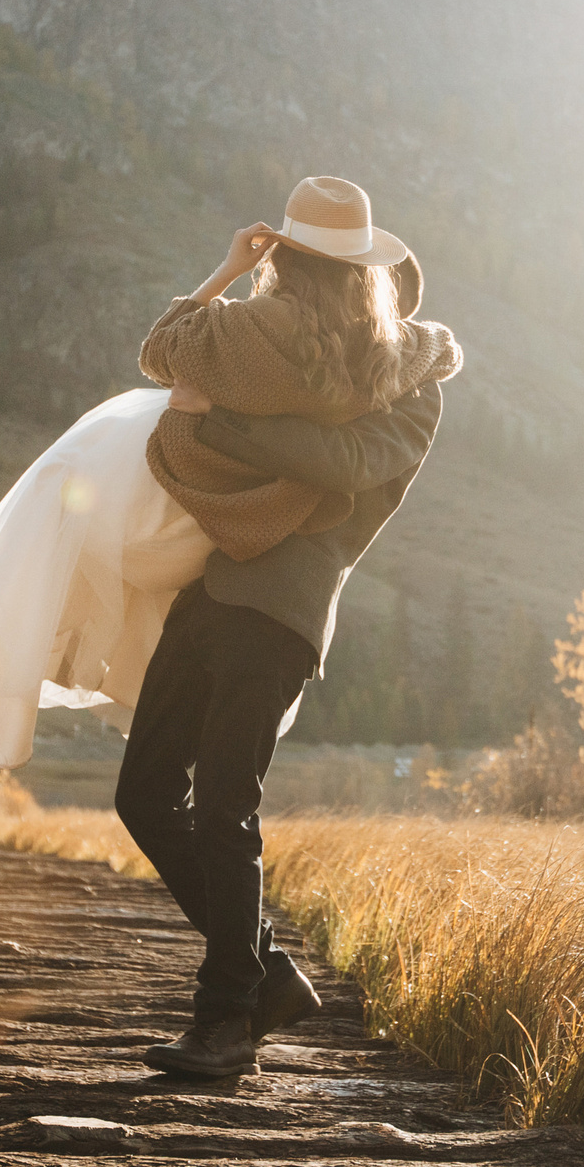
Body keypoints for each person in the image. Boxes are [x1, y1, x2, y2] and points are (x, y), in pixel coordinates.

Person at [116, 176, 460, 1078]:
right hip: (216, 590)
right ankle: (264, 974)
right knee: (143, 794)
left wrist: (219, 419)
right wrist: (228, 284)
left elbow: (345, 464)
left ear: (293, 265)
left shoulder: (411, 380)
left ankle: (226, 1021)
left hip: (285, 608)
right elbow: (168, 354)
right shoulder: (274, 358)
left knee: (227, 806)